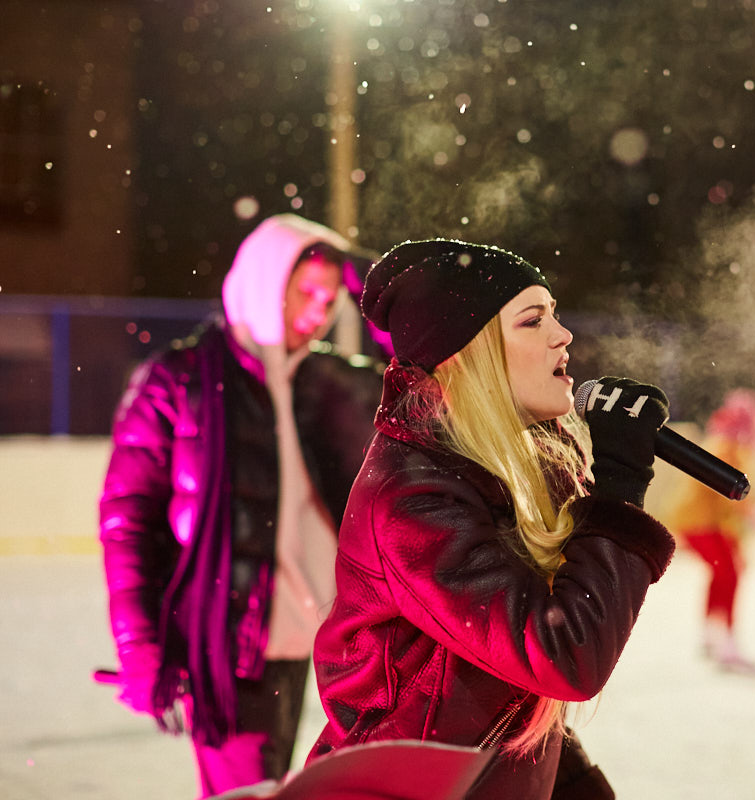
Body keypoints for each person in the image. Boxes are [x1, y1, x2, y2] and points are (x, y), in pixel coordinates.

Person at [306, 239, 677, 799]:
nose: (563, 334)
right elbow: (563, 655)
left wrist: (569, 782)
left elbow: (496, 689)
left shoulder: (493, 472)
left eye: (554, 313)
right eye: (533, 320)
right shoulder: (413, 499)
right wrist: (620, 488)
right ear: (469, 354)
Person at [98, 214, 383, 798]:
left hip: (328, 635)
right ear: (262, 280)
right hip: (231, 642)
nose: (318, 311)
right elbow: (128, 521)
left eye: (331, 297)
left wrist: (371, 286)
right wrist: (140, 646)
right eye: (304, 291)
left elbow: (425, 373)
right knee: (250, 793)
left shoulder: (331, 381)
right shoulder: (179, 380)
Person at [664, 388, 755, 672]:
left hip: (702, 522)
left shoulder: (725, 443)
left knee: (724, 571)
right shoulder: (728, 446)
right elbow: (729, 493)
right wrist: (753, 513)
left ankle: (712, 636)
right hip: (700, 523)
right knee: (729, 573)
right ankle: (726, 644)